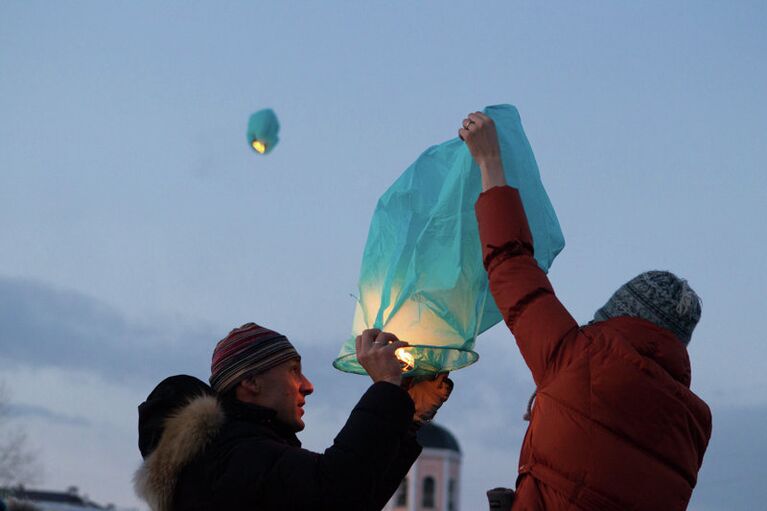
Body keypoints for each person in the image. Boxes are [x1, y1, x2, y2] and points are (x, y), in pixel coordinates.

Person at [460, 112, 711, 510]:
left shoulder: (581, 359)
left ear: (619, 314)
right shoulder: (692, 430)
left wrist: (489, 162)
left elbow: (511, 263)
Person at [135, 322, 452, 511]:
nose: (308, 386)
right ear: (250, 382)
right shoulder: (234, 456)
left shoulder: (235, 453)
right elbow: (336, 492)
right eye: (293, 371)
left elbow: (352, 502)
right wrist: (385, 388)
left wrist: (404, 420)